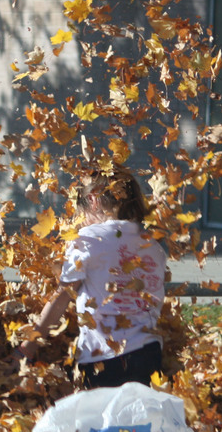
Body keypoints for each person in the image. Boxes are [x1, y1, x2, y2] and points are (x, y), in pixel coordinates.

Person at [16, 166, 167, 388]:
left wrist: (28, 345)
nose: (82, 220)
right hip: (149, 352)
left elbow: (62, 296)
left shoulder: (89, 239)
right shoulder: (152, 244)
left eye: (82, 213)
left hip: (104, 355)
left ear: (93, 200)